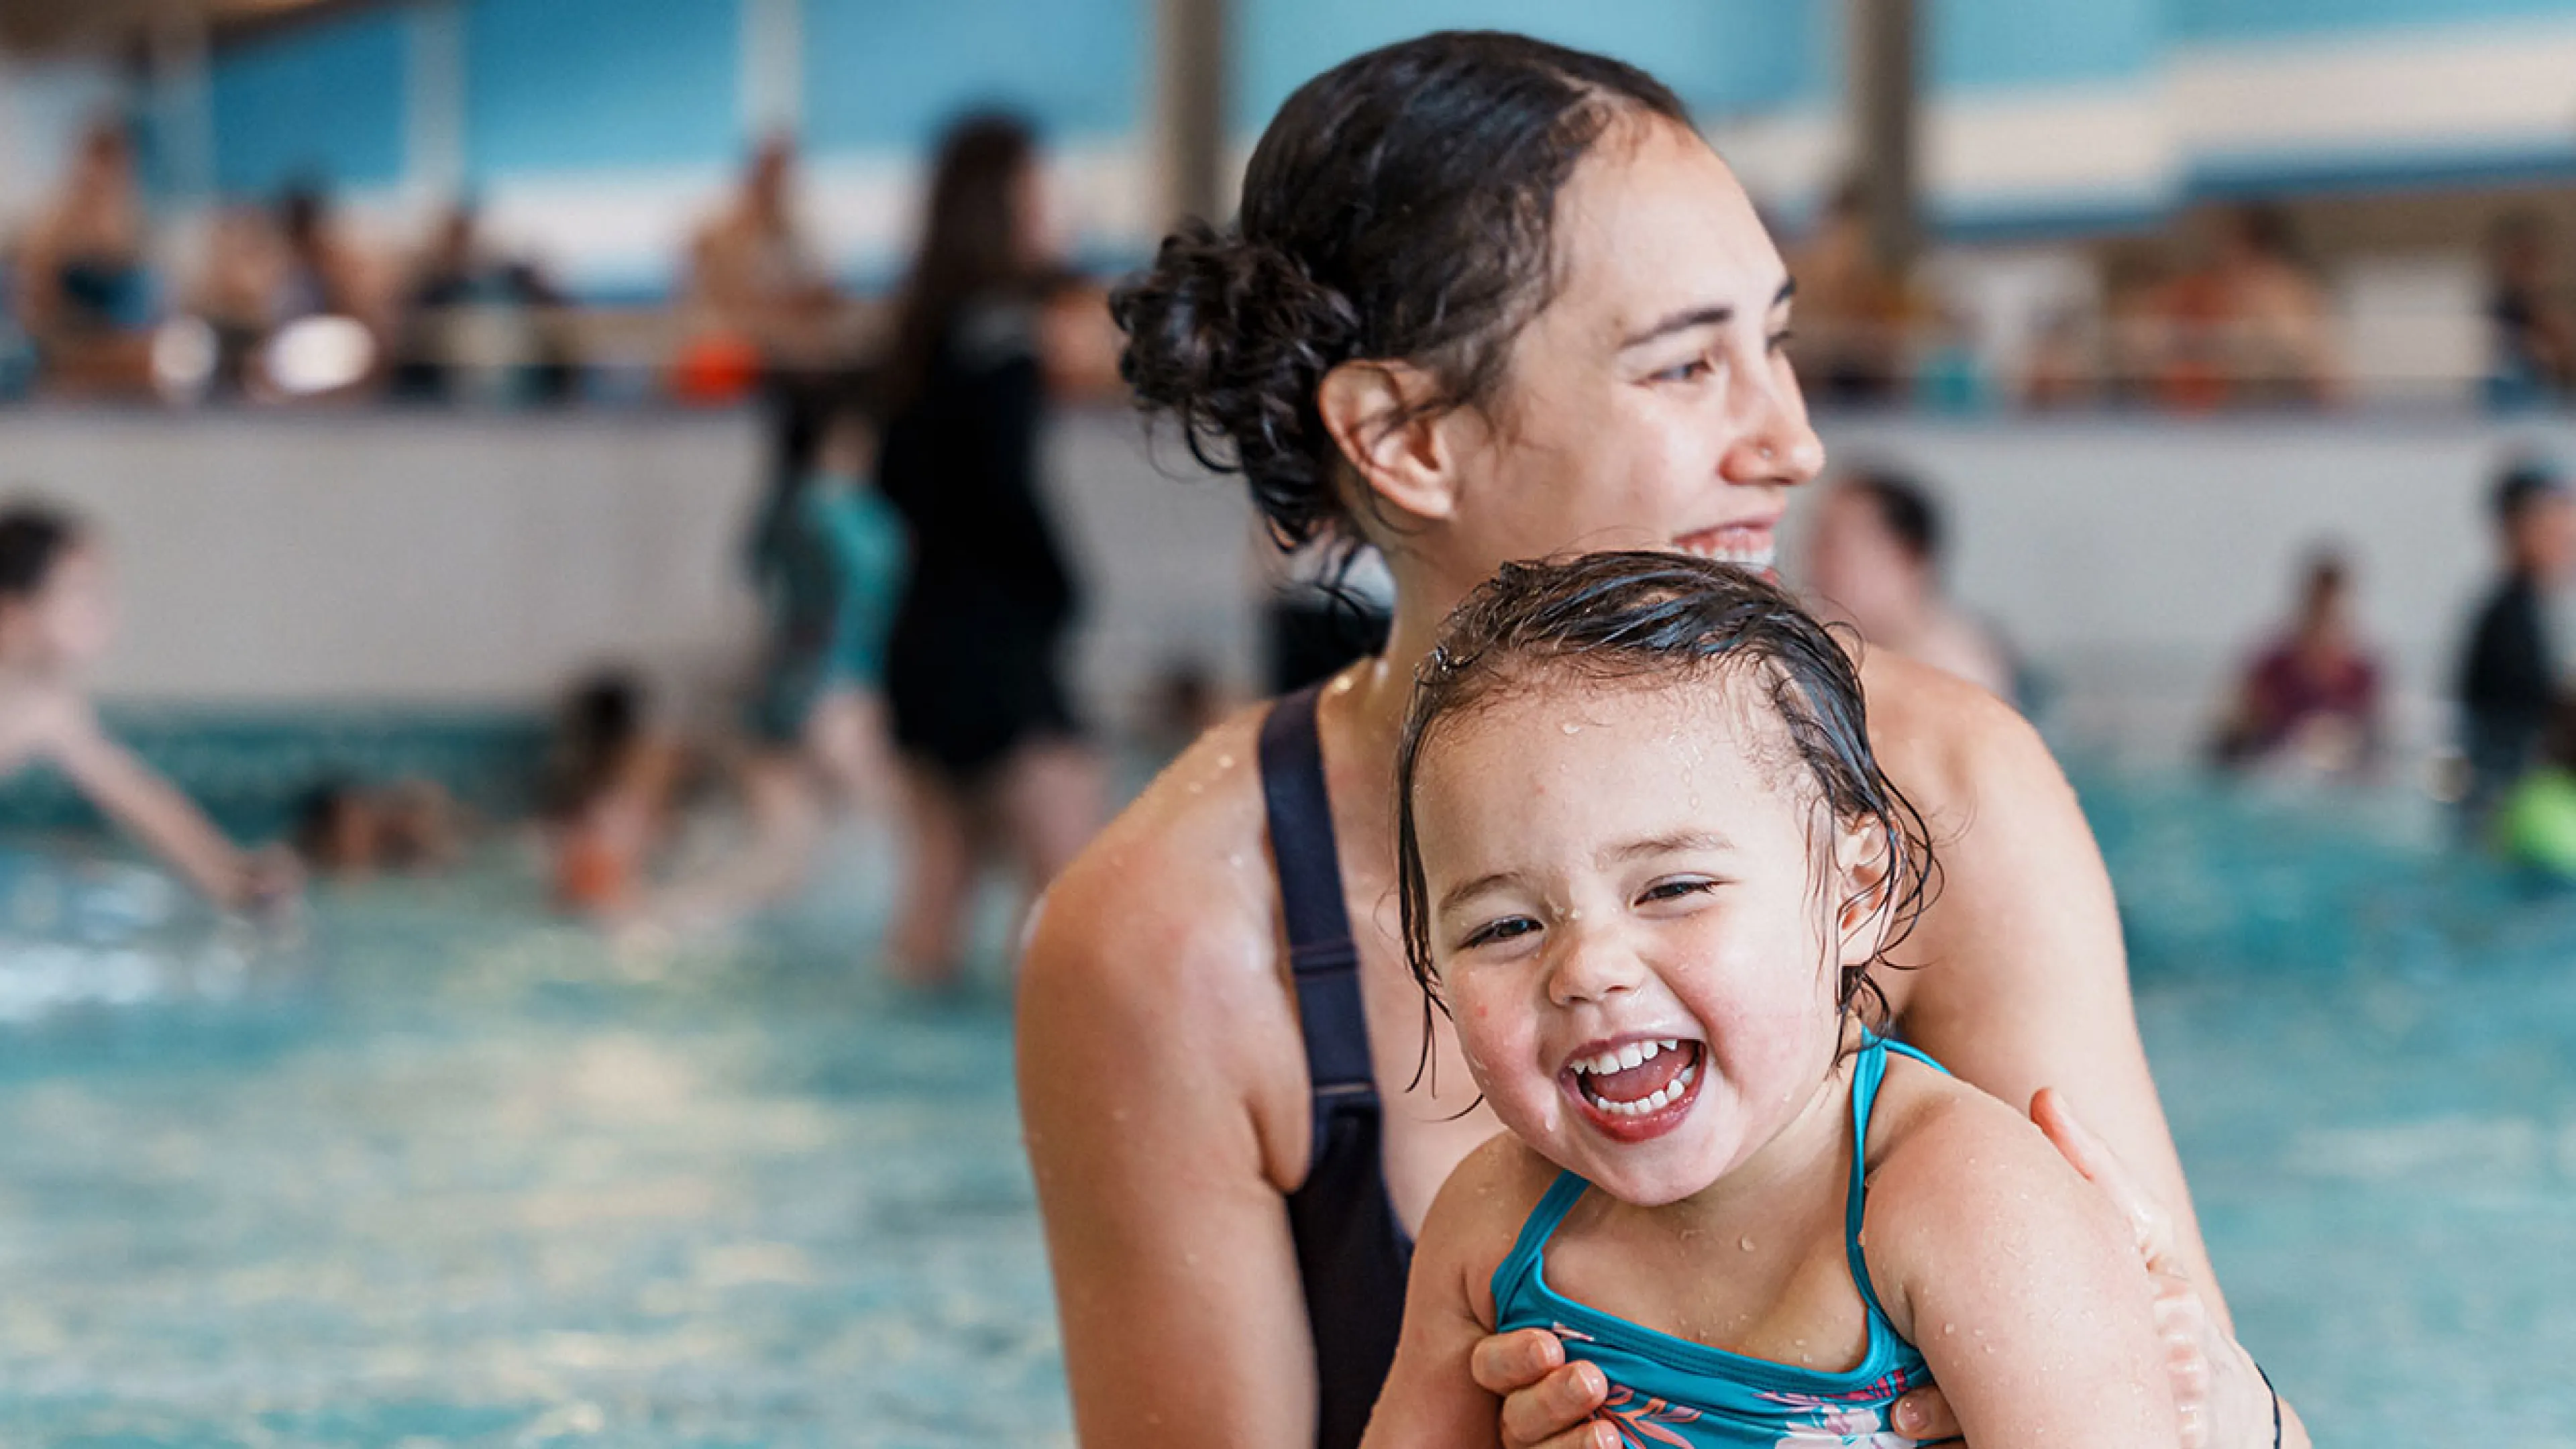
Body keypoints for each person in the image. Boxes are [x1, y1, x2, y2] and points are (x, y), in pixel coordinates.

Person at [1032, 32, 2302, 1449]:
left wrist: (2210, 1391)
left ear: (1862, 883)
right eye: (1689, 365)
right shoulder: (1171, 941)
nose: (1793, 441)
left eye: (1774, 341)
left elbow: (2214, 1414)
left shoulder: (1943, 791)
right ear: (1404, 437)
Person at [1362, 551, 2174, 1448]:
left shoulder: (1963, 1206)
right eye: (1502, 928)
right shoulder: (1493, 1227)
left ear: (1856, 892)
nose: (1588, 968)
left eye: (1673, 889)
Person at [874, 112, 1111, 988]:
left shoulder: (920, 329)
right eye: (1044, 186)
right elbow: (1003, 486)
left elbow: (894, 483)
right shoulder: (1008, 334)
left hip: (922, 631)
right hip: (999, 645)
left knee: (936, 891)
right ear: (1006, 201)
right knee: (1073, 896)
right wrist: (1060, 589)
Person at [0, 502, 297, 910]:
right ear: (13, 610)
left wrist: (228, 874)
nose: (105, 613)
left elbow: (137, 797)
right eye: (83, 594)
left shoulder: (46, 707)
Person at [1801, 468, 2017, 704]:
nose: (1815, 563)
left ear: (1904, 556)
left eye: (1834, 546)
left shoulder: (1951, 669)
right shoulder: (1839, 646)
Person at [2457, 458, 2576, 830]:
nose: (2567, 536)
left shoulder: (2523, 611)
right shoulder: (2508, 621)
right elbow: (2541, 717)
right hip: (2509, 814)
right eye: (2554, 522)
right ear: (2518, 528)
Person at [13, 119, 157, 395]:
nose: (104, 176)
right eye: (98, 162)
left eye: (116, 165)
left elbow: (147, 306)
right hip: (68, 346)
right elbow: (33, 308)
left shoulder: (132, 223)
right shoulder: (53, 225)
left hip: (124, 343)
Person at [2211, 549, 2380, 777]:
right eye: (2317, 604)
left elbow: (2374, 744)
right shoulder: (2272, 669)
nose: (2323, 615)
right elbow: (2232, 739)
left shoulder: (2360, 675)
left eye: (2330, 606)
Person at [2483, 211, 2575, 409]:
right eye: (2523, 258)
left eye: (2536, 258)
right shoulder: (2495, 320)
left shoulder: (2555, 310)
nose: (2532, 269)